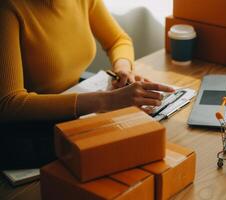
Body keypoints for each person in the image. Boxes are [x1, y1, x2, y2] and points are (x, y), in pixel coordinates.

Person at [0, 0, 174, 168]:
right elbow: (8, 103)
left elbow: (118, 40)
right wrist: (107, 101)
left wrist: (123, 70)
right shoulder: (9, 8)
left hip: (74, 113)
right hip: (31, 131)